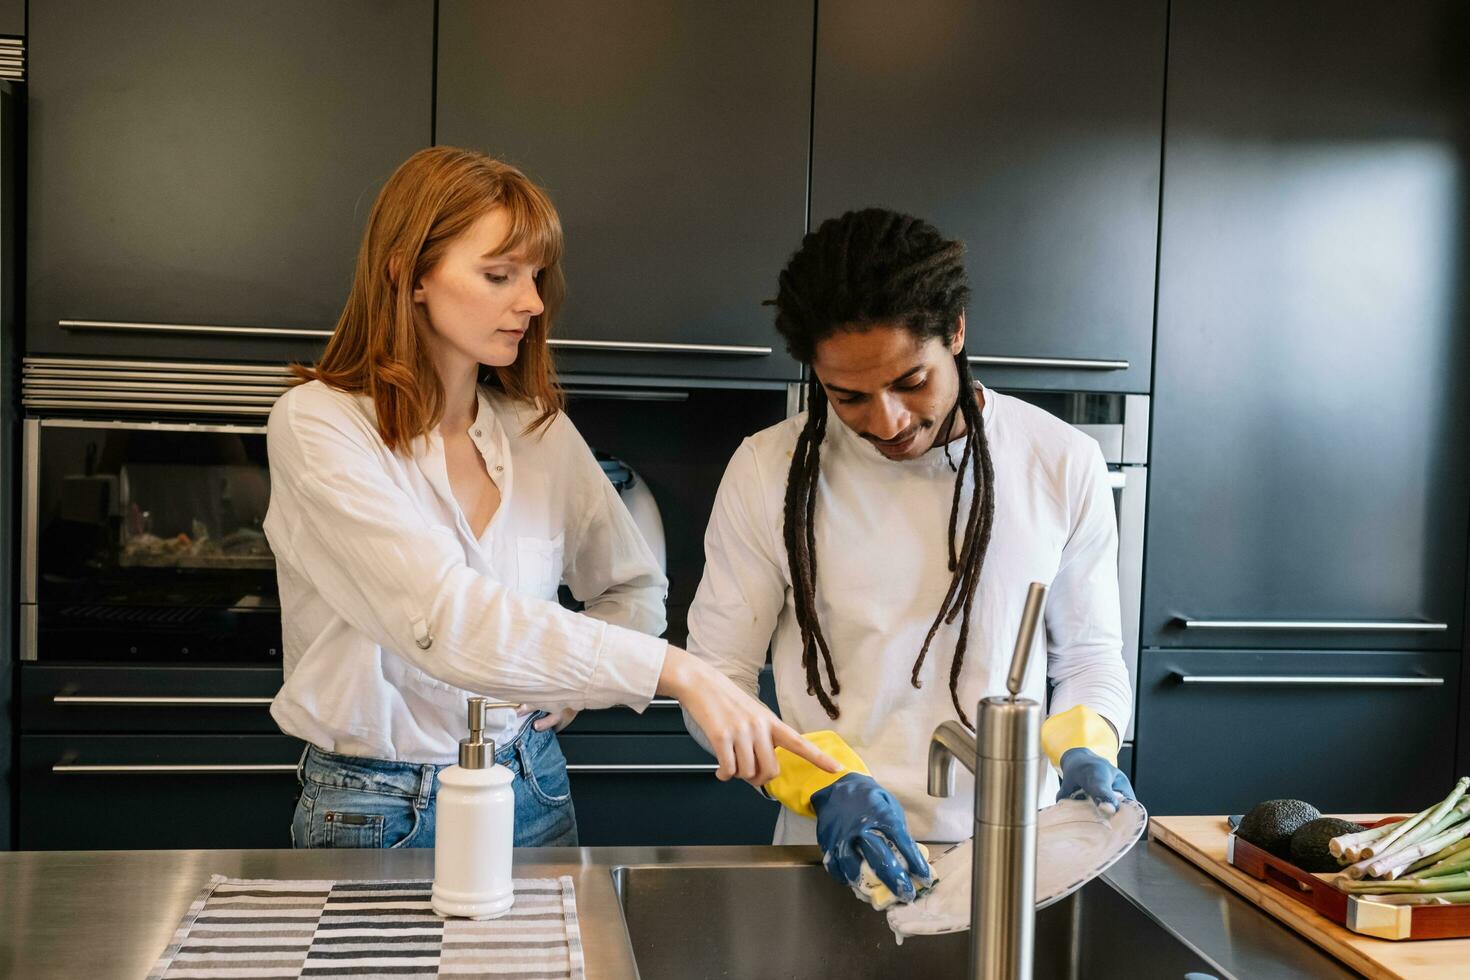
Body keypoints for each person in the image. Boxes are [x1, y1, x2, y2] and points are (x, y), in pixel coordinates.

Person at [264, 146, 837, 849]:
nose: (532, 302)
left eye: (534, 276)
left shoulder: (537, 430)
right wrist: (674, 672)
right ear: (408, 274)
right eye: (499, 274)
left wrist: (571, 682)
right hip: (372, 805)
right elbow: (445, 621)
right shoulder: (320, 423)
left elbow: (632, 588)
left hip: (531, 783)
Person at [684, 208, 1135, 901]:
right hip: (833, 856)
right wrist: (817, 781)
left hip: (1019, 857)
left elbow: (1089, 657)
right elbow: (713, 681)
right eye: (847, 396)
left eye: (910, 382)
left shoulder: (1059, 461)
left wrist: (1088, 745)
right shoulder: (766, 470)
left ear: (955, 332)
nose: (886, 421)